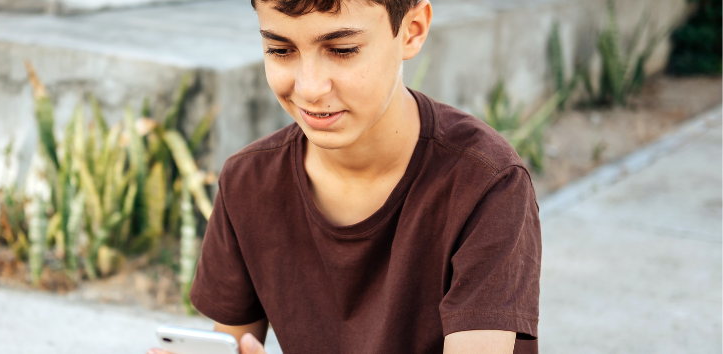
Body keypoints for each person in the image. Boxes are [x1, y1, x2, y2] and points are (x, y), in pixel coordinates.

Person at [150, 0, 541, 352]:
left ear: (413, 30)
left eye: (342, 50)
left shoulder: (486, 183)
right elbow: (233, 344)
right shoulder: (248, 182)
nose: (310, 88)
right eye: (280, 50)